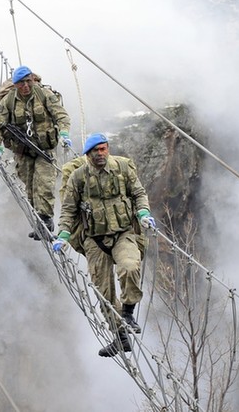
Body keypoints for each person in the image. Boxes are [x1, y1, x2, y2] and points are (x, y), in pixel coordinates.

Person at [53, 133, 155, 357]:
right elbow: (69, 209)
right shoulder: (78, 178)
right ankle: (120, 337)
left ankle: (128, 313)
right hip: (95, 240)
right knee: (104, 294)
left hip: (123, 233)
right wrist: (62, 234)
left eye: (103, 149)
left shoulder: (122, 168)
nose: (100, 154)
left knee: (130, 267)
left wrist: (144, 212)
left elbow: (138, 193)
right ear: (88, 154)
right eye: (96, 151)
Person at [0, 65, 71, 238]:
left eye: (28, 81)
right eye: (21, 83)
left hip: (44, 150)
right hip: (23, 152)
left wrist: (64, 132)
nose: (25, 86)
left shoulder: (44, 95)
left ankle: (46, 222)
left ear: (33, 80)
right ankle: (39, 223)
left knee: (44, 183)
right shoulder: (9, 101)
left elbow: (60, 114)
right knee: (30, 187)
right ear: (16, 84)